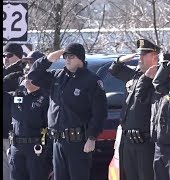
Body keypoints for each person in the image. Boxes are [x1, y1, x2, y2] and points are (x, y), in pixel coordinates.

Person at [28, 43, 108, 180]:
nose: (67, 59)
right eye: (65, 56)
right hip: (57, 141)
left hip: (78, 142)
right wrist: (48, 59)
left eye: (71, 56)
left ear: (81, 58)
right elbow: (33, 76)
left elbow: (99, 112)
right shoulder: (57, 77)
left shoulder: (92, 81)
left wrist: (92, 137)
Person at [109, 38, 160, 180]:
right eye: (139, 54)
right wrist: (121, 59)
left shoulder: (158, 79)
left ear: (155, 57)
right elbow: (114, 70)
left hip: (144, 141)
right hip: (128, 140)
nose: (140, 58)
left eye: (144, 55)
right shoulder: (135, 75)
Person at [4, 71, 50, 180]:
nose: (27, 79)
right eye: (25, 76)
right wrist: (7, 77)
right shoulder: (16, 95)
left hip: (36, 148)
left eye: (31, 77)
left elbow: (50, 126)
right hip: (16, 147)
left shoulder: (46, 98)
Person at [3, 42, 25, 180]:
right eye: (4, 55)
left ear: (19, 58)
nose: (5, 57)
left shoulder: (22, 77)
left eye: (9, 55)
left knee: (11, 172)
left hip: (13, 133)